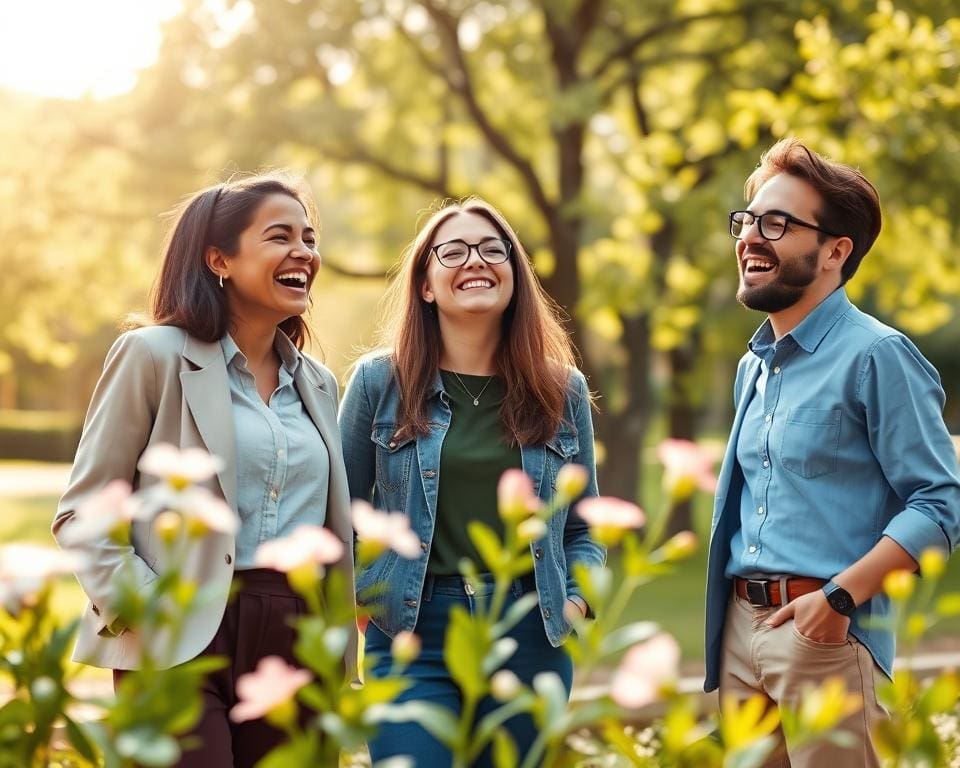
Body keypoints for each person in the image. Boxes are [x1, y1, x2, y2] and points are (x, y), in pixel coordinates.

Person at [52, 173, 356, 768]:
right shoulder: (152, 356)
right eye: (280, 237)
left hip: (297, 638)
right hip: (180, 631)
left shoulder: (320, 384)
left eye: (309, 238)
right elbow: (83, 513)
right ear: (220, 259)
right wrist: (151, 609)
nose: (303, 252)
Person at [704, 138, 960, 767]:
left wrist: (840, 598)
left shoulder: (878, 356)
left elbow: (940, 504)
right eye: (748, 221)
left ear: (835, 252)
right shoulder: (752, 367)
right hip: (739, 635)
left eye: (777, 224)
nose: (750, 237)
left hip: (826, 636)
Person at [338, 197, 605, 765]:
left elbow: (584, 526)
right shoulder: (378, 382)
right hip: (411, 635)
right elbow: (341, 516)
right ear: (426, 284)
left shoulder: (563, 390)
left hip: (529, 633)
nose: (475, 260)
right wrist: (367, 598)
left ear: (515, 273)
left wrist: (575, 604)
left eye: (491, 249)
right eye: (453, 251)